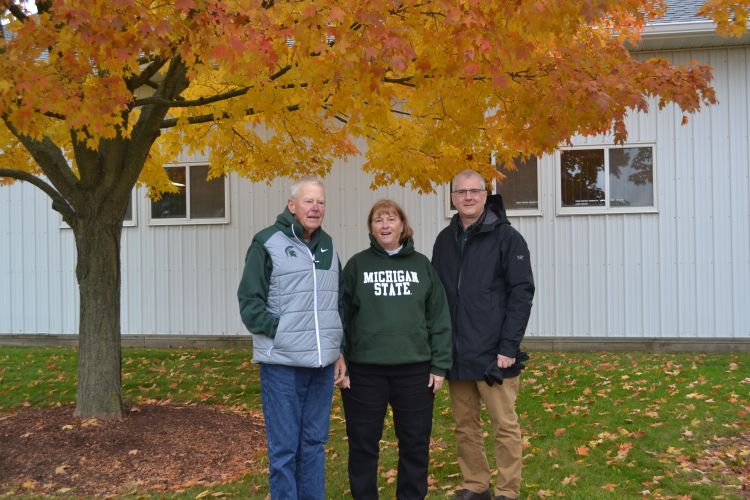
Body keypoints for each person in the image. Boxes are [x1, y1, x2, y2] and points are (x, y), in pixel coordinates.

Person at [237, 176, 347, 500]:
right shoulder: (266, 243)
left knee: (313, 445)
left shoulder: (328, 245)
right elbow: (249, 304)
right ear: (292, 206)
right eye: (309, 201)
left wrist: (337, 349)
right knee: (284, 451)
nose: (315, 208)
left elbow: (335, 302)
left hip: (322, 366)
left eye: (321, 202)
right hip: (282, 364)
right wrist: (283, 332)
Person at [432, 169, 535, 500]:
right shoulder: (444, 240)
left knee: (504, 426)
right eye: (461, 192)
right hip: (458, 353)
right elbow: (437, 298)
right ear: (452, 198)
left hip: (495, 354)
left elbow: (522, 294)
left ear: (485, 194)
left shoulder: (507, 238)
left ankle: (507, 491)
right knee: (465, 427)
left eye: (474, 191)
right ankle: (476, 485)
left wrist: (508, 346)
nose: (468, 197)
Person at [340, 199, 452, 500]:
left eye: (391, 219)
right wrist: (342, 361)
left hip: (415, 372)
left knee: (414, 445)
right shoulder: (357, 266)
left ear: (403, 225)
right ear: (371, 228)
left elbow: (439, 317)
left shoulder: (422, 266)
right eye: (378, 220)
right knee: (363, 446)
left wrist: (439, 365)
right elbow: (340, 316)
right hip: (364, 373)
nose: (385, 225)